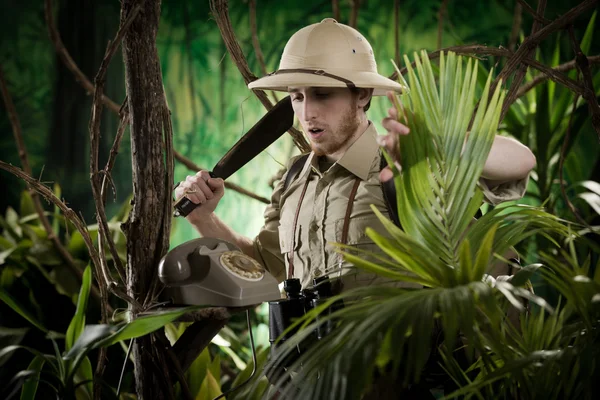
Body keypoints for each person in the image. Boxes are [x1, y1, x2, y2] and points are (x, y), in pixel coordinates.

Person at [174, 18, 536, 293]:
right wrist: (205, 220)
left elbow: (521, 161)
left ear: (361, 95)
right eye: (297, 97)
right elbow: (265, 270)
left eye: (322, 94)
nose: (307, 113)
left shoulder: (405, 164)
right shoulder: (292, 182)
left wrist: (439, 148)